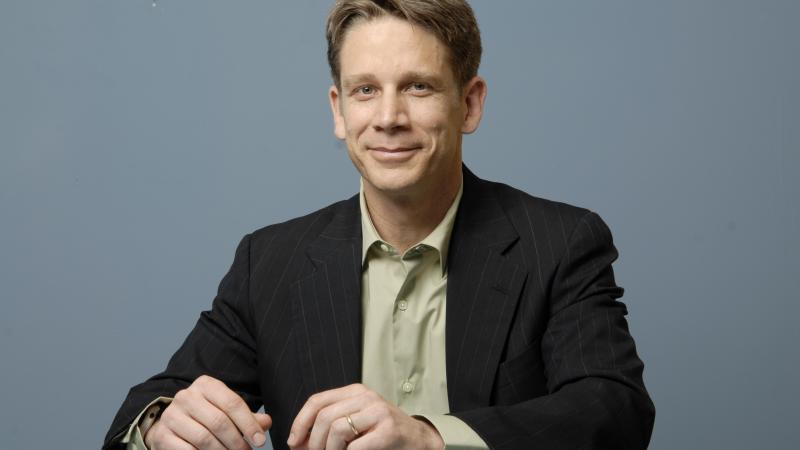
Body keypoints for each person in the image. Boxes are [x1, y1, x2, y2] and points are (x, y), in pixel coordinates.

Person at [104, 1, 655, 449]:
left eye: (418, 86)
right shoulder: (268, 261)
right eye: (366, 90)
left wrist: (432, 438)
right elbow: (148, 408)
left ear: (469, 104)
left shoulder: (560, 243)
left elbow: (615, 409)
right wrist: (160, 428)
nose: (389, 117)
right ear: (339, 111)